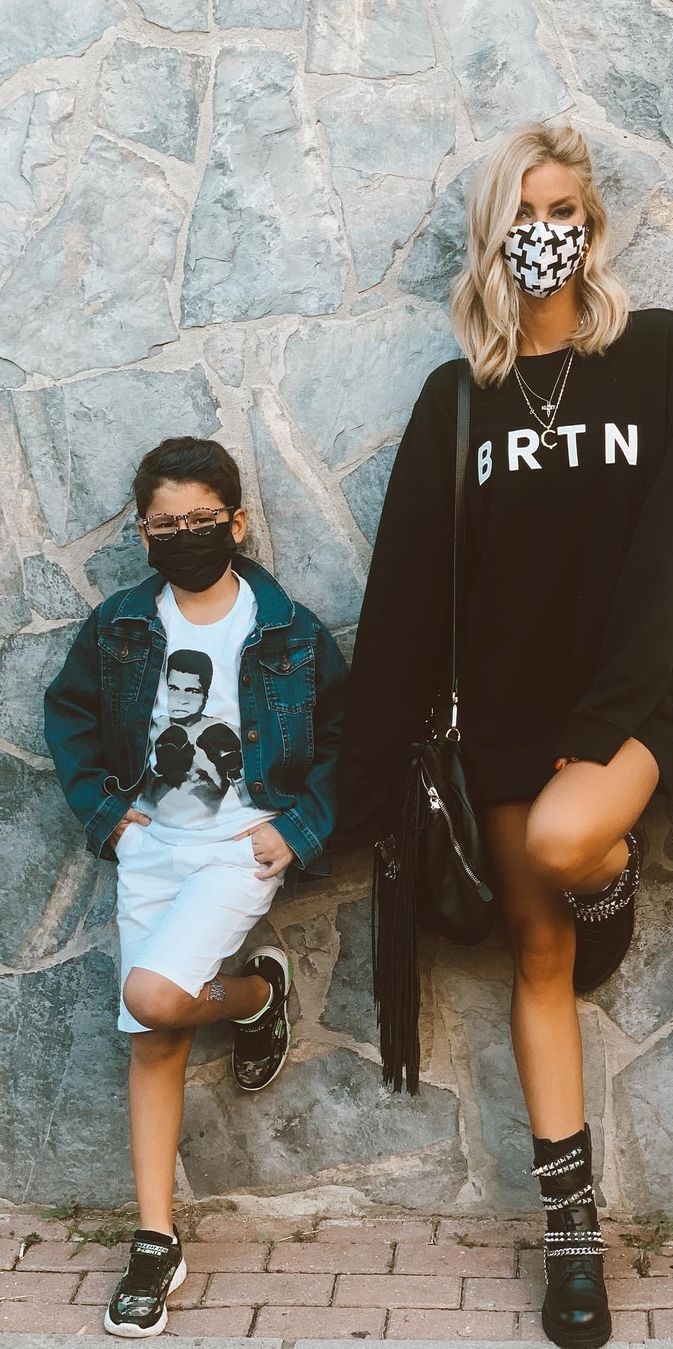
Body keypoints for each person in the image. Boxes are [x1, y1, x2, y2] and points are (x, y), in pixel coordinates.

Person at [340, 123, 673, 1349]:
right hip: (498, 723)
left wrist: (604, 722)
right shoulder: (458, 400)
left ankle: (612, 881)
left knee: (568, 842)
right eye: (522, 211)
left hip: (627, 708)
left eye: (562, 209)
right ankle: (573, 1233)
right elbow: (407, 594)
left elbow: (669, 551)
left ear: (590, 225)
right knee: (537, 960)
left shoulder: (656, 356)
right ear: (492, 234)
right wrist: (363, 780)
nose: (543, 230)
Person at [44, 437, 347, 1338]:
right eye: (165, 524)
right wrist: (108, 813)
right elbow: (68, 714)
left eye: (200, 520)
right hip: (151, 847)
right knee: (153, 1039)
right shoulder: (121, 624)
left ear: (236, 523)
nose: (183, 536)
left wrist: (295, 828)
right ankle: (155, 1240)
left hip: (235, 849)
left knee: (153, 996)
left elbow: (347, 738)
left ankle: (255, 994)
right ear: (144, 534)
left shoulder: (288, 629)